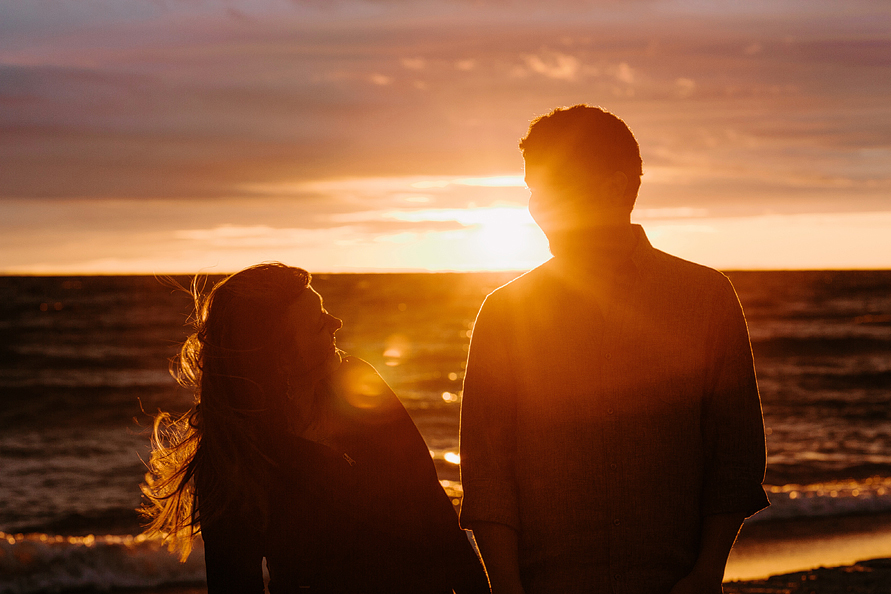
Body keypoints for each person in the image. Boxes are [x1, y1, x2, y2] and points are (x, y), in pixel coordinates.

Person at [459, 105, 769, 594]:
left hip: (671, 580)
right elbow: (488, 471)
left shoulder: (705, 298)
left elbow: (735, 452)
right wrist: (507, 586)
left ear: (616, 187)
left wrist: (708, 572)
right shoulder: (505, 312)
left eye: (554, 188)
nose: (539, 206)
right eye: (534, 191)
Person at [141, 262, 488, 593]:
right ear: (281, 356)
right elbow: (233, 586)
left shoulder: (359, 385)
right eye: (320, 322)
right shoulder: (235, 459)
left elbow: (433, 508)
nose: (337, 322)